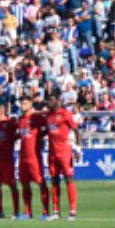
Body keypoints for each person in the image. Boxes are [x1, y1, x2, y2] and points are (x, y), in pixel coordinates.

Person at [43, 92, 79, 220]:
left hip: (64, 150)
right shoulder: (48, 115)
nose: (49, 103)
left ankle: (72, 210)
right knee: (54, 179)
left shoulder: (65, 114)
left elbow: (76, 129)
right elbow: (46, 131)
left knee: (68, 178)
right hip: (52, 151)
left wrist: (78, 148)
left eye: (51, 100)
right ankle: (56, 210)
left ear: (57, 101)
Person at [16, 96, 49, 220]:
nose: (22, 105)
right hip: (23, 155)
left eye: (24, 103)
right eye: (21, 103)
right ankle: (27, 211)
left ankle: (45, 211)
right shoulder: (20, 119)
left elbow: (48, 127)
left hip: (34, 156)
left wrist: (40, 137)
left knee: (40, 182)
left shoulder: (36, 118)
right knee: (24, 183)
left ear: (30, 104)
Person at [0, 100, 20, 220]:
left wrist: (12, 140)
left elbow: (19, 132)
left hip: (7, 159)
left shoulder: (10, 123)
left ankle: (16, 212)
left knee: (12, 185)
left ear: (0, 111)